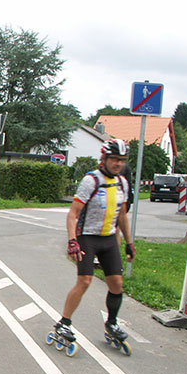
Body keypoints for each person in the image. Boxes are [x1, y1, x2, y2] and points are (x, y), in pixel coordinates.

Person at [53, 139, 135, 347]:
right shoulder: (91, 181)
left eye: (122, 161)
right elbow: (73, 214)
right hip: (87, 237)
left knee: (117, 284)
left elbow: (122, 215)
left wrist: (129, 243)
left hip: (108, 238)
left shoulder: (122, 182)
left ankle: (112, 323)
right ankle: (64, 323)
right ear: (104, 159)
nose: (118, 164)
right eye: (115, 159)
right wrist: (73, 241)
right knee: (85, 281)